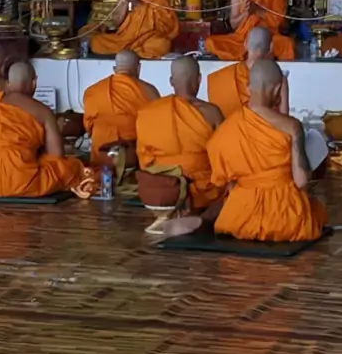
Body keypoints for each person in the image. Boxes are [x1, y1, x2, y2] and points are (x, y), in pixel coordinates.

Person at [200, 59, 325, 242]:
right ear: (277, 90)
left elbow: (227, 182)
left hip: (238, 218)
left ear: (248, 87)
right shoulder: (291, 127)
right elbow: (301, 180)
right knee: (317, 211)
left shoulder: (226, 129)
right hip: (285, 220)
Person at [0, 62, 91, 198]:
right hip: (19, 181)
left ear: (8, 83)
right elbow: (56, 156)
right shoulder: (42, 111)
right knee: (72, 167)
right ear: (34, 82)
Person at [135, 56, 223, 213]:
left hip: (162, 188)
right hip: (203, 191)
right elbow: (224, 156)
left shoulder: (149, 112)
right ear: (199, 79)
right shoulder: (211, 112)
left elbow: (143, 157)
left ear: (171, 81)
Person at [90, 0, 179, 57]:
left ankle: (130, 52)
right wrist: (124, 5)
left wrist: (140, 5)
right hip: (125, 39)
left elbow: (167, 23)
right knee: (96, 41)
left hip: (149, 37)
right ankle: (132, 51)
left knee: (161, 44)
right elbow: (116, 23)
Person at [82, 49, 158, 152]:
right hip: (132, 151)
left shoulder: (92, 91)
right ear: (139, 68)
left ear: (114, 69)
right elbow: (156, 124)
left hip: (102, 149)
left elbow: (88, 126)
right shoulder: (149, 91)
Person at [206, 26, 272, 117]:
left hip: (230, 130)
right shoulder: (274, 80)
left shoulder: (220, 78)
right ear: (271, 48)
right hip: (262, 130)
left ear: (245, 44)